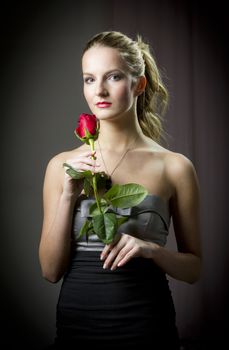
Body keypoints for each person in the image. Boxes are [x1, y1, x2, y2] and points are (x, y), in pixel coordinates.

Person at [39, 31, 202, 349]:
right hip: (76, 331)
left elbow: (194, 268)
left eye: (112, 77)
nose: (98, 90)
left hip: (147, 328)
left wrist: (152, 250)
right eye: (89, 79)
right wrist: (68, 195)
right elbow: (49, 270)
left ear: (139, 84)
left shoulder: (175, 167)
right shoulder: (61, 165)